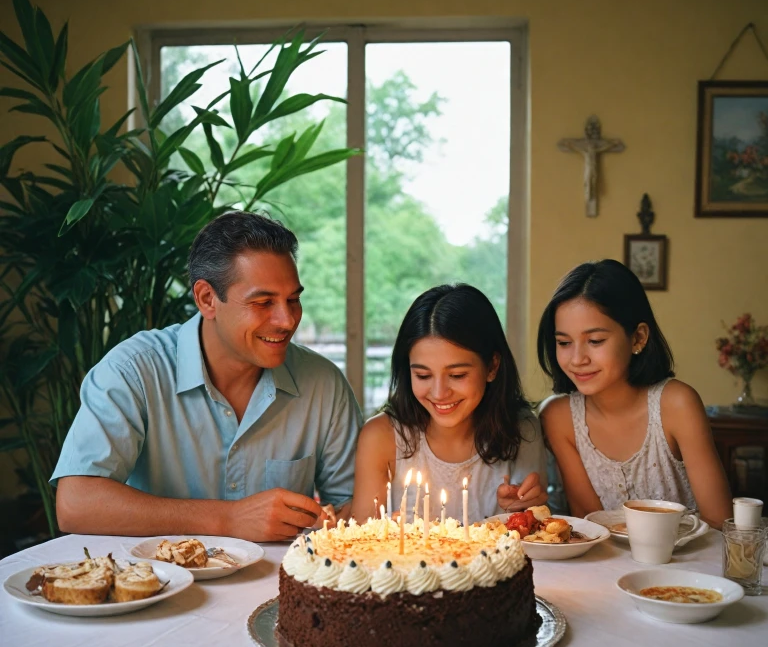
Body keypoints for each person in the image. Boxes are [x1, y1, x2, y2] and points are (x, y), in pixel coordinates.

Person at [52, 212, 363, 541]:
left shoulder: (323, 383)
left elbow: (355, 507)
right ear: (206, 299)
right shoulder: (134, 371)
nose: (287, 321)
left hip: (278, 588)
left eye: (293, 299)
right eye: (263, 302)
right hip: (157, 584)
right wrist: (228, 519)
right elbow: (76, 503)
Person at [537, 259, 732, 529]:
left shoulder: (676, 405)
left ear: (638, 338)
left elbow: (721, 523)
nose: (577, 359)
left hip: (690, 566)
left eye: (595, 341)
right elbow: (589, 524)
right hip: (607, 568)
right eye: (564, 343)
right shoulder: (558, 418)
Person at [350, 284, 548, 524]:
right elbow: (360, 543)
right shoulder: (382, 436)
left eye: (457, 375)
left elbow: (535, 535)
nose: (439, 393)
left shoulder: (522, 430)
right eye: (423, 376)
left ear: (492, 366)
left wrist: (525, 508)